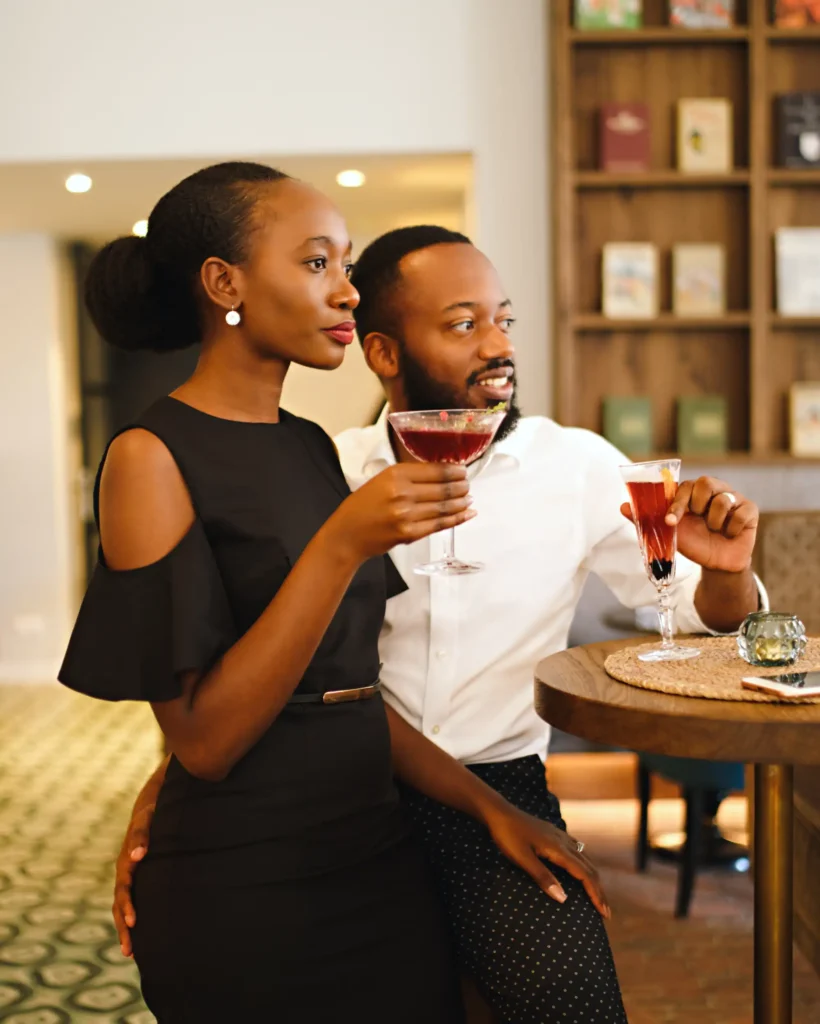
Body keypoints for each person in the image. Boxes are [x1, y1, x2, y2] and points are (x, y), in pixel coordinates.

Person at [112, 225, 763, 1023]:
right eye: (463, 324)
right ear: (383, 354)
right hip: (335, 778)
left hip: (497, 784)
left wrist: (727, 572)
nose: (498, 346)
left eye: (504, 321)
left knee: (569, 1003)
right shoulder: (332, 470)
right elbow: (251, 660)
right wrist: (167, 787)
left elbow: (700, 617)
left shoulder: (578, 466)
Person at [60, 169, 610, 1023]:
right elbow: (204, 743)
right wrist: (343, 541)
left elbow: (345, 692)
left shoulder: (310, 446)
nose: (347, 290)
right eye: (318, 262)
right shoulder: (149, 456)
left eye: (345, 263)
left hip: (371, 856)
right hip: (246, 880)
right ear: (224, 284)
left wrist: (492, 809)